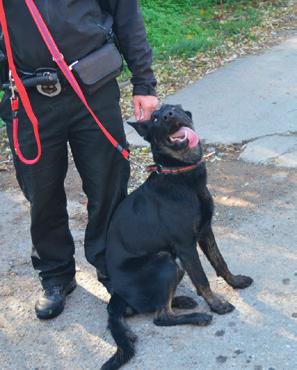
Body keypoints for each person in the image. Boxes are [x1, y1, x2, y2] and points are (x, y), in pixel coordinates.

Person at [0, 0, 158, 320]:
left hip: (94, 87)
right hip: (29, 99)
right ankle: (56, 274)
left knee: (108, 186)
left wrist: (144, 82)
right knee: (41, 193)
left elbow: (126, 15)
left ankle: (114, 269)